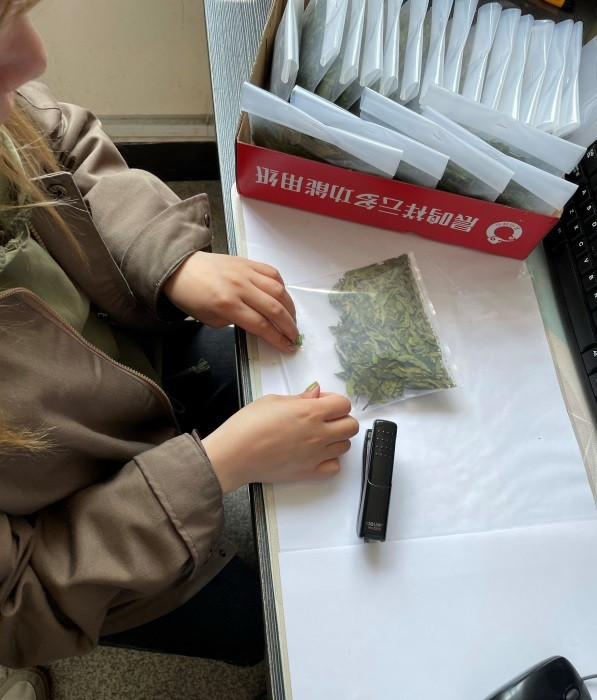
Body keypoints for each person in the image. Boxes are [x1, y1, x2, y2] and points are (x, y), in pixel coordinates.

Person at [0, 1, 359, 697]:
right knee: (259, 624)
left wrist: (169, 260)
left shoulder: (6, 105)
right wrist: (216, 467)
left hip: (139, 361)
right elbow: (22, 601)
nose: (36, 57)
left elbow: (64, 143)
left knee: (263, 363)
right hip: (95, 543)